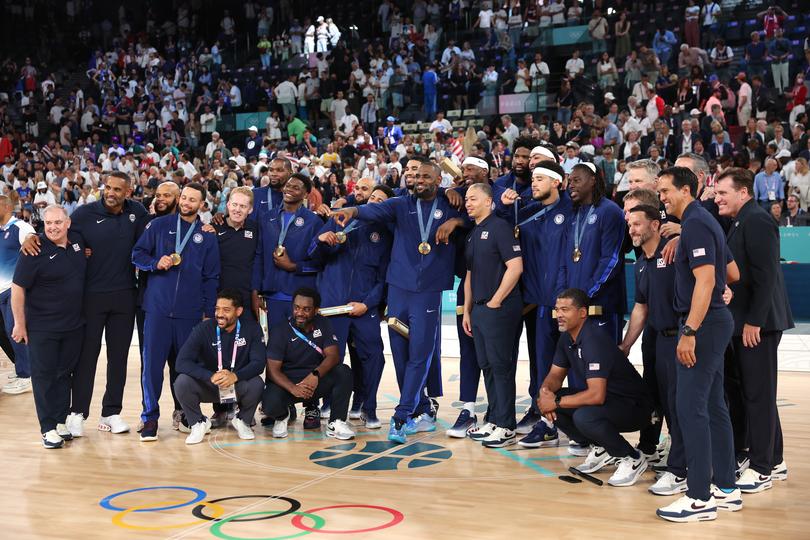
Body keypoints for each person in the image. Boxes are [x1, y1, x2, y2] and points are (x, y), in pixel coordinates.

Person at [332, 162, 461, 444]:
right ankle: (422, 409)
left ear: (439, 180)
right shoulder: (401, 204)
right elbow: (370, 210)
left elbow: (481, 212)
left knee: (419, 355)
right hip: (398, 290)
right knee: (401, 356)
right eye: (416, 176)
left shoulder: (452, 203)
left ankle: (402, 417)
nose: (420, 180)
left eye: (427, 176)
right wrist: (351, 210)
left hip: (428, 293)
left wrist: (456, 220)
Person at [655, 166, 742, 522]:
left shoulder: (696, 224)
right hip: (713, 321)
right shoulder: (700, 224)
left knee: (691, 407)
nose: (661, 198)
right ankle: (726, 487)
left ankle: (699, 497)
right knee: (713, 406)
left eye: (665, 191)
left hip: (701, 326)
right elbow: (731, 275)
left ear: (687, 190)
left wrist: (689, 331)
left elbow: (707, 282)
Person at [714, 168, 792, 492]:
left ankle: (762, 469)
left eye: (722, 193)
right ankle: (773, 458)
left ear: (743, 192)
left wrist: (755, 322)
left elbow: (767, 274)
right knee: (754, 394)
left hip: (758, 324)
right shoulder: (741, 220)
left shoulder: (757, 220)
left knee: (758, 395)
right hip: (747, 320)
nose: (717, 198)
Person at [132, 183, 221, 441]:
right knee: (151, 367)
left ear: (201, 205)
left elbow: (212, 277)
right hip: (157, 310)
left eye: (193, 199)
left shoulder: (207, 235)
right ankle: (150, 418)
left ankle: (184, 414)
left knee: (184, 368)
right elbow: (136, 253)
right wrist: (153, 262)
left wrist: (208, 311)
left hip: (190, 313)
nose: (186, 202)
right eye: (184, 197)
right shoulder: (158, 225)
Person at [537, 288, 653, 487]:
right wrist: (545, 392)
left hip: (634, 408)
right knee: (547, 402)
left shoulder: (593, 340)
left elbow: (596, 396)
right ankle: (600, 448)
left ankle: (632, 457)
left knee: (584, 416)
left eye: (565, 309)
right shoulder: (567, 337)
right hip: (609, 401)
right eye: (557, 310)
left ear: (582, 313)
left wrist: (554, 401)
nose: (559, 315)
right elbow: (556, 374)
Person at [500, 160, 574, 448]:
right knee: (544, 367)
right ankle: (546, 424)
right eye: (533, 179)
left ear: (557, 182)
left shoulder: (570, 212)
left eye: (541, 179)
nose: (534, 183)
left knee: (577, 367)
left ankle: (581, 425)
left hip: (567, 305)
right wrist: (507, 209)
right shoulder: (530, 215)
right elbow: (505, 232)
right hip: (541, 305)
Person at [308, 184, 393, 429]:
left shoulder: (385, 235)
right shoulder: (339, 219)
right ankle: (329, 402)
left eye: (381, 200)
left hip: (362, 308)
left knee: (374, 356)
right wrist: (321, 240)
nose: (375, 201)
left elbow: (384, 278)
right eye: (372, 196)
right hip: (333, 306)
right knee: (330, 356)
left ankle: (369, 406)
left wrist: (367, 304)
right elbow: (313, 256)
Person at [619, 204, 687, 495]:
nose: (632, 229)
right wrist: (625, 344)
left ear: (656, 225)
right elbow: (641, 307)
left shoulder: (674, 253)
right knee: (660, 401)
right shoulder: (640, 263)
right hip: (658, 341)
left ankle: (682, 470)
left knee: (679, 407)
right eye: (630, 225)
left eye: (637, 224)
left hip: (681, 340)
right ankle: (670, 460)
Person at [11, 205, 86, 448]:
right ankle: (47, 428)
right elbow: (17, 289)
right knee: (44, 377)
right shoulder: (33, 250)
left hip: (73, 326)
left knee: (64, 374)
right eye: (48, 223)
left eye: (57, 222)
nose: (52, 227)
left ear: (68, 224)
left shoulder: (77, 244)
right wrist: (19, 324)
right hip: (42, 327)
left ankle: (60, 421)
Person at [461, 182, 523, 448]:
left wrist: (497, 300)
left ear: (489, 202)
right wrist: (467, 309)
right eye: (466, 199)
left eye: (473, 198)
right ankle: (495, 419)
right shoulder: (474, 233)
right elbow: (469, 276)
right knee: (487, 366)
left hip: (500, 309)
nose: (468, 203)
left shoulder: (499, 227)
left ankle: (507, 425)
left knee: (501, 367)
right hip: (479, 310)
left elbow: (516, 266)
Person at [174, 289, 266, 444]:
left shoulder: (252, 329)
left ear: (239, 311)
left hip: (237, 385)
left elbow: (259, 364)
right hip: (211, 385)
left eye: (226, 310)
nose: (219, 314)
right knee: (182, 382)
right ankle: (198, 423)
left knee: (257, 383)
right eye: (217, 309)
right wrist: (209, 376)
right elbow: (181, 362)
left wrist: (235, 376)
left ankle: (242, 421)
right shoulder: (204, 328)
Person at [262, 287, 355, 440]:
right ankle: (283, 416)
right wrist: (294, 388)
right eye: (297, 308)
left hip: (314, 381)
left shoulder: (324, 324)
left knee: (343, 372)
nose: (300, 313)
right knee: (269, 405)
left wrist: (316, 375)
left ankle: (336, 422)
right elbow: (273, 371)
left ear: (316, 310)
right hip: (288, 382)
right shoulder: (280, 330)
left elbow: (333, 356)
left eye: (306, 309)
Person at [556, 162, 626, 344]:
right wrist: (564, 296)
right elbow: (564, 260)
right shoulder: (573, 214)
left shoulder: (610, 211)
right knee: (575, 366)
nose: (571, 185)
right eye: (569, 180)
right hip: (574, 307)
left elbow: (611, 260)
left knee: (601, 367)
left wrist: (586, 294)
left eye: (577, 180)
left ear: (593, 180)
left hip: (602, 304)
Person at [252, 173, 321, 330]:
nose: (289, 190)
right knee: (273, 349)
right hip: (270, 295)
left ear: (305, 194)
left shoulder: (313, 222)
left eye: (296, 188)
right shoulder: (267, 218)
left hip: (300, 299)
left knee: (298, 349)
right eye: (288, 186)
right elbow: (258, 257)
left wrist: (293, 266)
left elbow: (319, 264)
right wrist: (255, 292)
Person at [0, 195, 35, 395]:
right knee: (7, 334)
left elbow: (32, 238)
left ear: (6, 207)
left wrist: (31, 240)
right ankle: (21, 367)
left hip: (13, 290)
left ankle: (26, 376)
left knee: (16, 332)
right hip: (1, 290)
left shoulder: (20, 227)